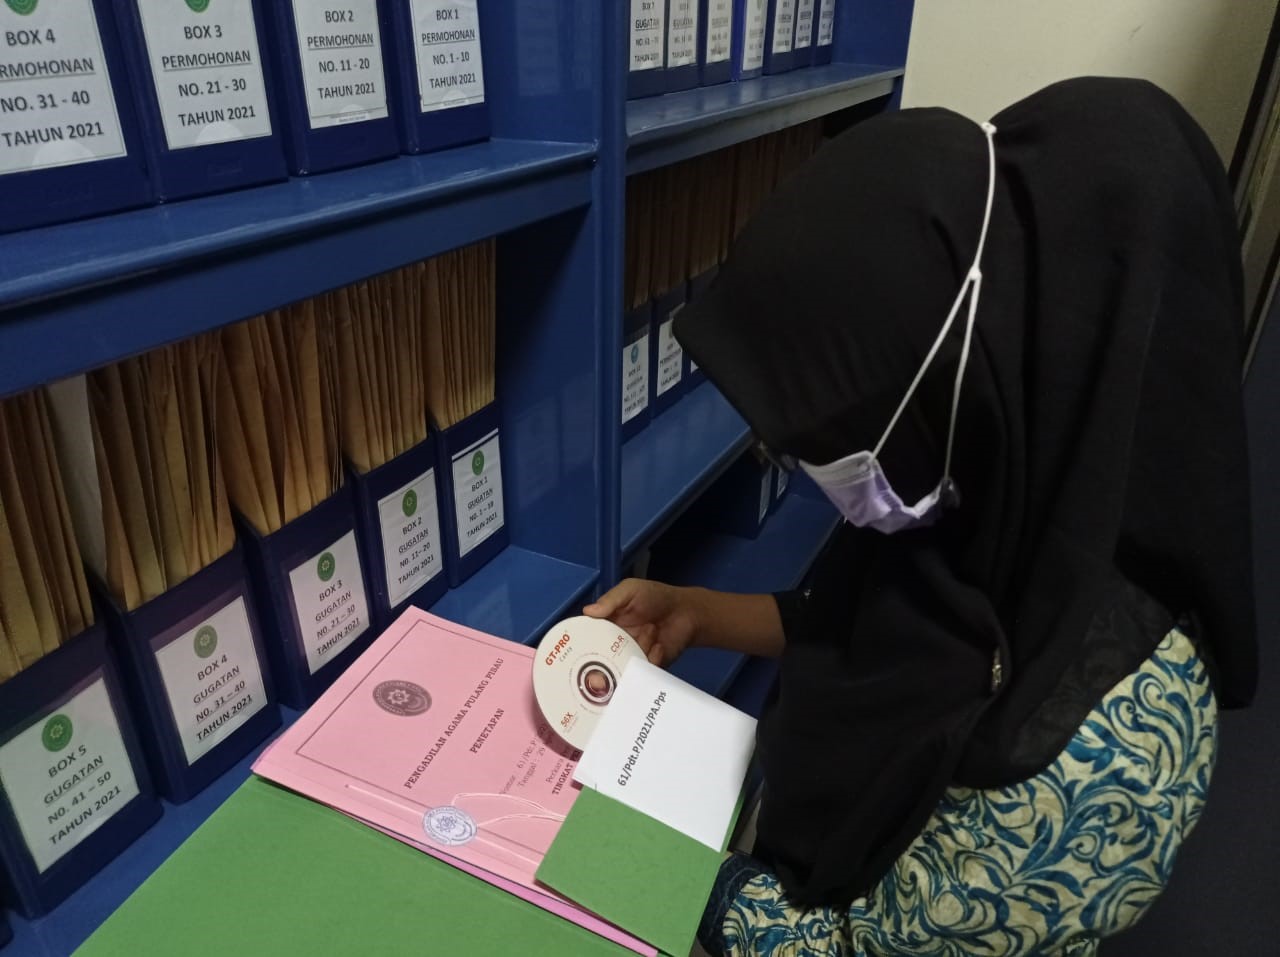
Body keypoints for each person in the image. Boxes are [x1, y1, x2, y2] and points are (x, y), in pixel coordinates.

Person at [584, 77, 1256, 956]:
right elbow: (873, 625)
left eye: (831, 435)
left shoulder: (1105, 758)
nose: (795, 461)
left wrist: (640, 851)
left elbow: (850, 950)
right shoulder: (994, 493)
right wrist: (698, 612)